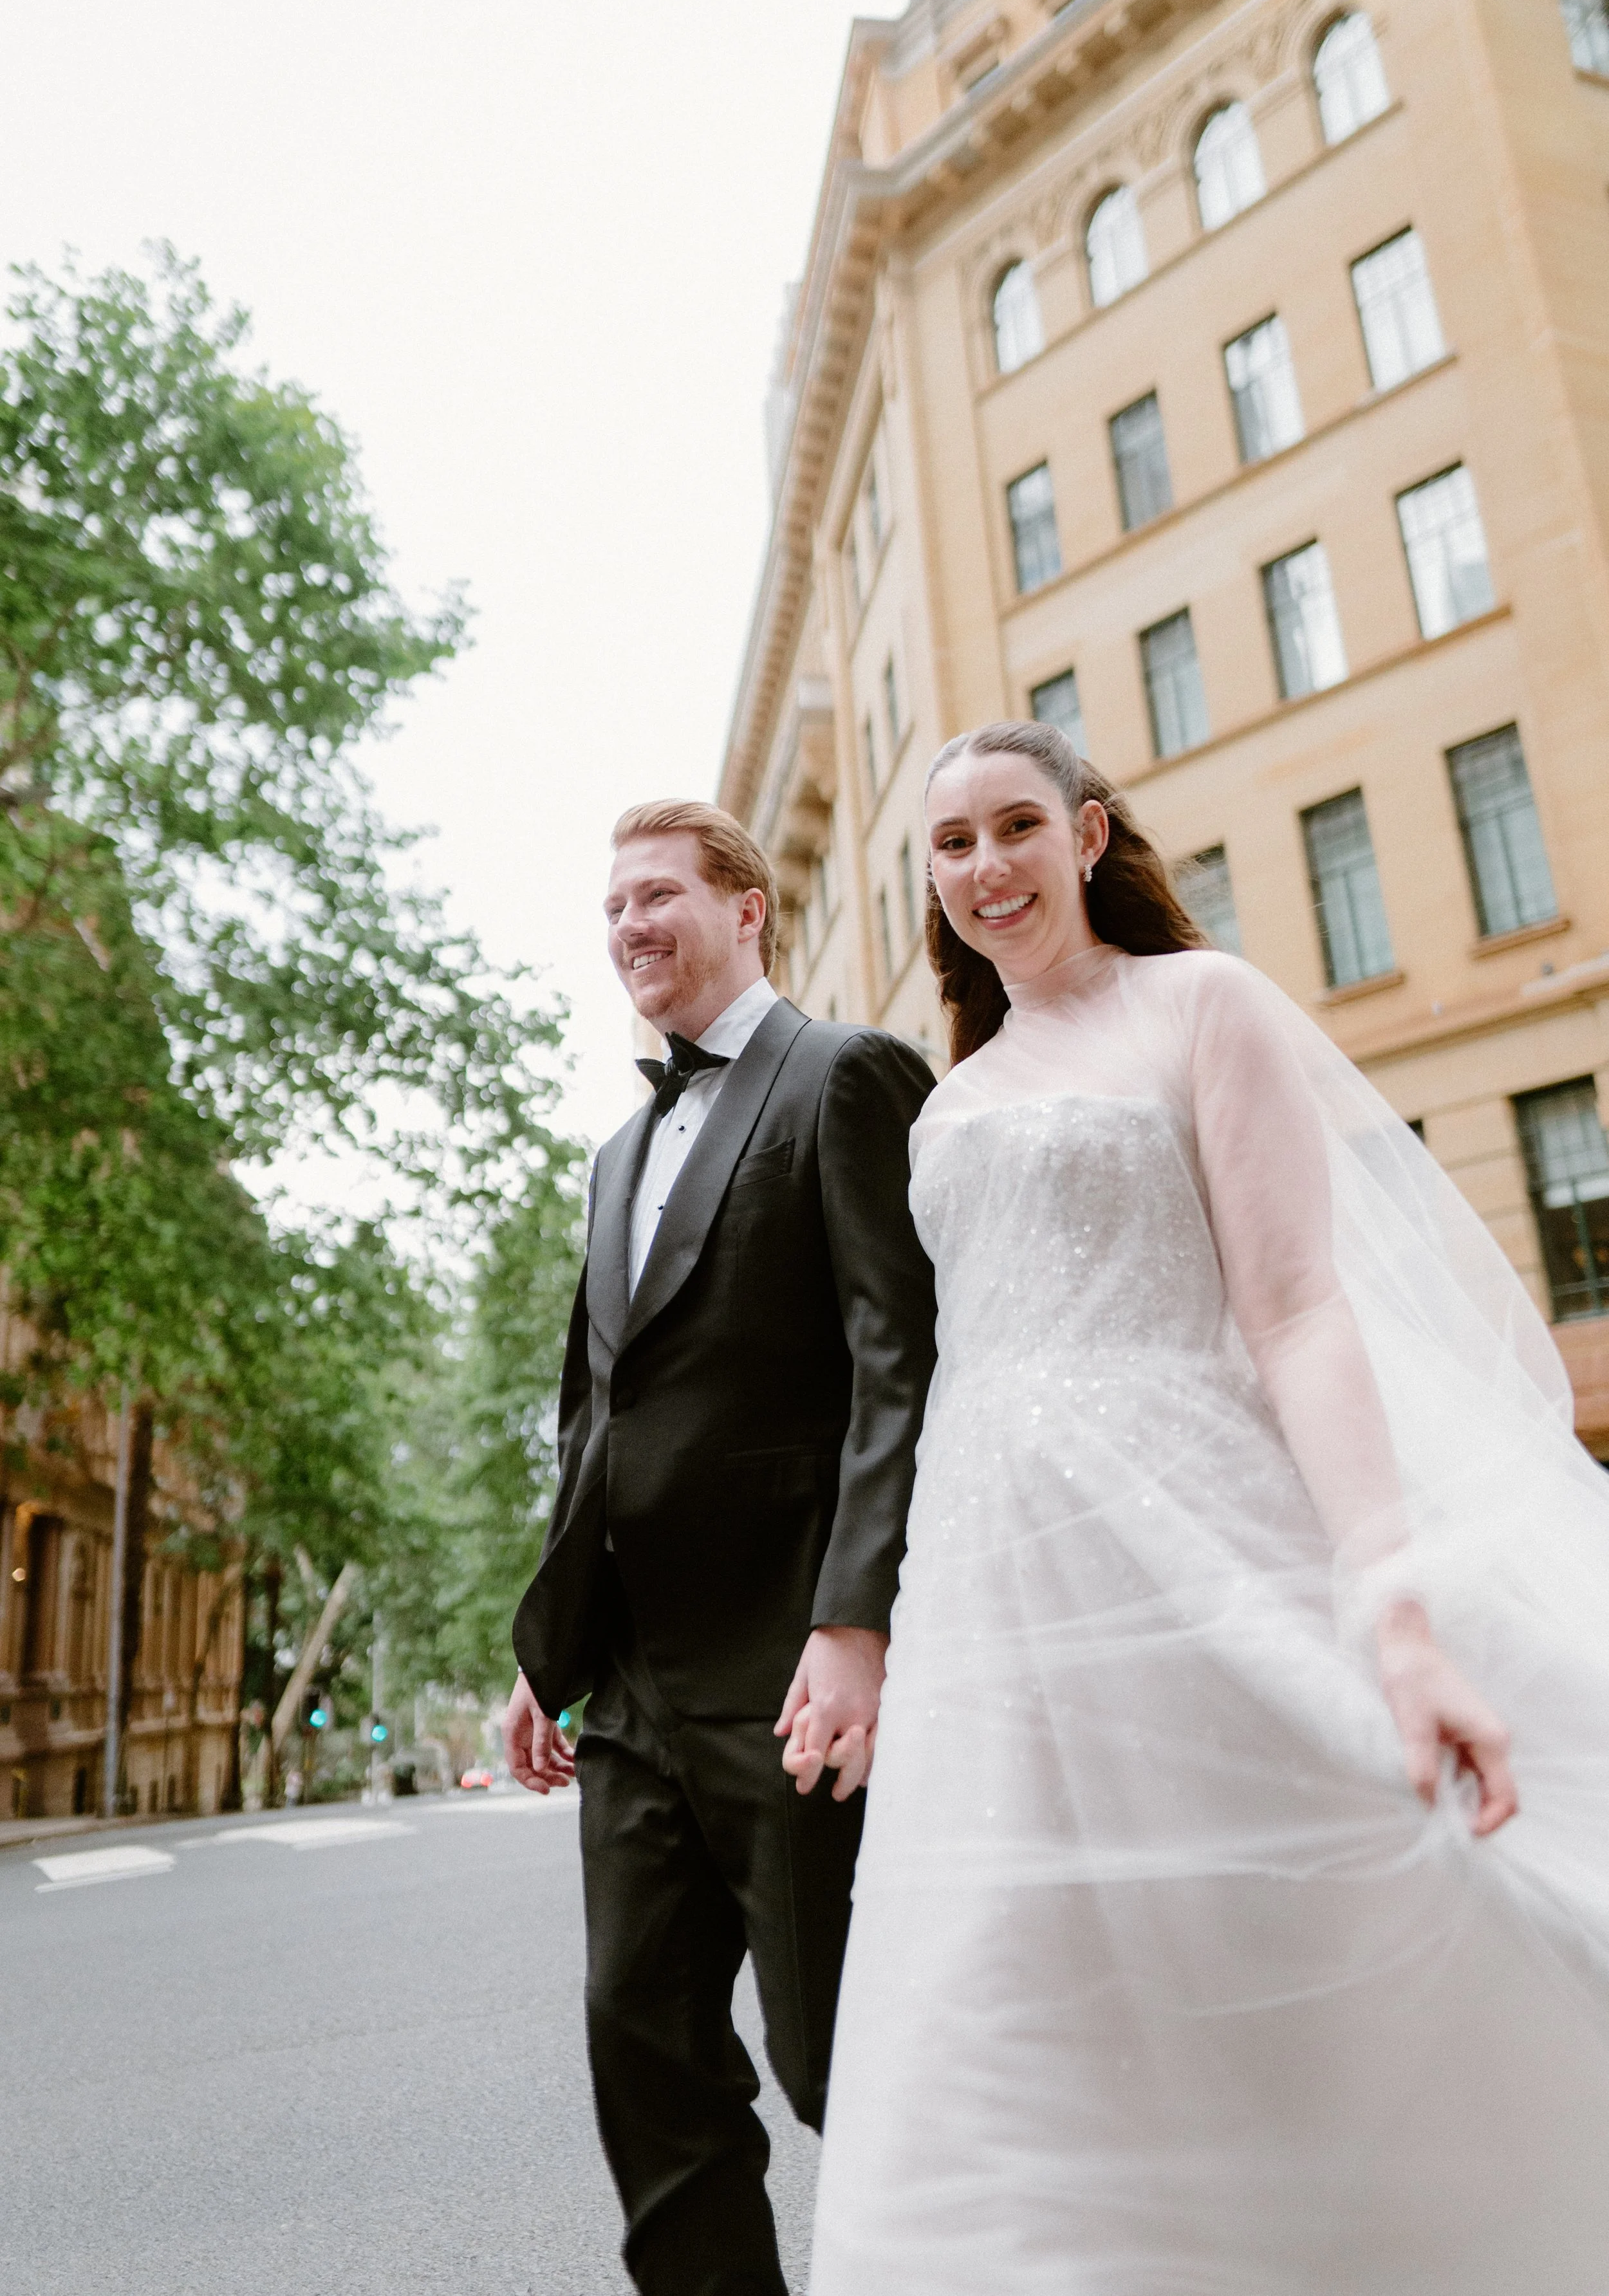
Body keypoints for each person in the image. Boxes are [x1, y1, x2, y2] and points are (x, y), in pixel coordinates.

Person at [806, 721, 1609, 2295]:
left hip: (1193, 1540)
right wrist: (877, 1626)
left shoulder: (1203, 1005)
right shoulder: (944, 1108)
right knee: (1010, 1986)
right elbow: (932, 1378)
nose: (983, 869)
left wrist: (1388, 1601)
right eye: (950, 845)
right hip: (992, 1600)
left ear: (1088, 835)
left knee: (1320, 1907)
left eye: (1014, 827)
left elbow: (1297, 1309)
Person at [505, 799, 936, 2296]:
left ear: (746, 908)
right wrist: (541, 1648)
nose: (628, 924)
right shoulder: (612, 1157)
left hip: (790, 1666)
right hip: (626, 1691)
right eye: (611, 904)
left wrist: (856, 1619)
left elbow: (902, 1361)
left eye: (656, 895)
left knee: (842, 2064)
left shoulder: (845, 1077)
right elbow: (593, 1417)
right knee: (646, 2058)